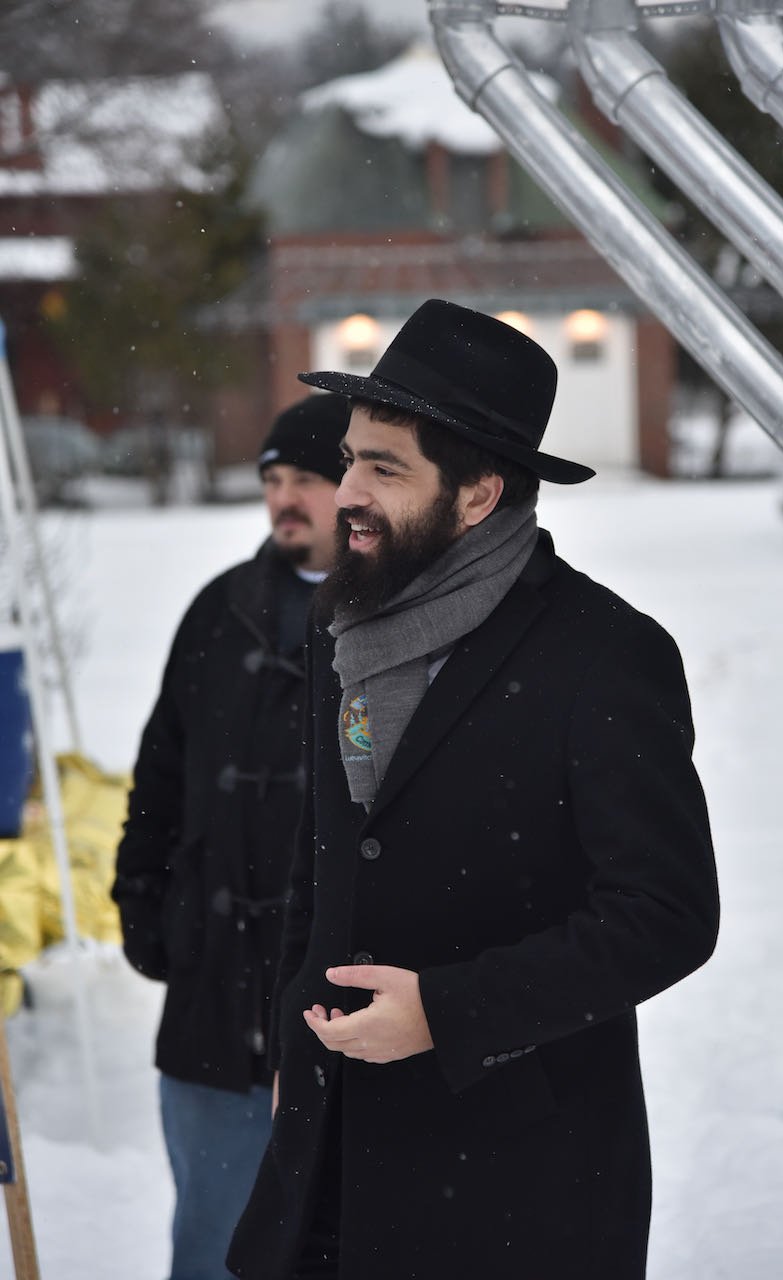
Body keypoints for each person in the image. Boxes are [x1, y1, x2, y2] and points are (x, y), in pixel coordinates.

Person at [227, 300, 719, 1280]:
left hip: (514, 1186)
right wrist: (291, 1029)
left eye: (384, 467)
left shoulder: (605, 657)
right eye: (351, 456)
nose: (347, 489)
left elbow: (666, 914)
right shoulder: (344, 624)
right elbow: (321, 859)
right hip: (327, 1164)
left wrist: (451, 1010)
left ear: (481, 490)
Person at [112, 393, 349, 1280]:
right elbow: (160, 773)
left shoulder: (399, 618)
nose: (286, 499)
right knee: (213, 1246)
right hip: (213, 998)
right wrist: (143, 903)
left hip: (335, 1012)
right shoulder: (220, 611)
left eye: (310, 481)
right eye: (274, 481)